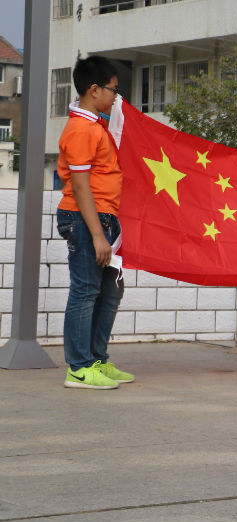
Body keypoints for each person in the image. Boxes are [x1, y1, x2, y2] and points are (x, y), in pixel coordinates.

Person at [56, 55, 133, 390]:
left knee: (110, 290)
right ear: (93, 89)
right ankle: (78, 367)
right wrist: (98, 235)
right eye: (113, 90)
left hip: (104, 216)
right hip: (86, 218)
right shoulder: (81, 129)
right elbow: (80, 185)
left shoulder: (95, 126)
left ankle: (97, 359)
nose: (117, 97)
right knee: (86, 290)